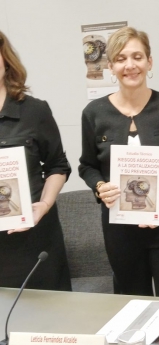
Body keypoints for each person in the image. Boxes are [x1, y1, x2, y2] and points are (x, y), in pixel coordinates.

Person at [78, 27, 159, 297]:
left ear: (149, 61)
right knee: (131, 302)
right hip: (119, 227)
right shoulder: (94, 113)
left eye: (137, 56)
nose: (130, 65)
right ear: (111, 65)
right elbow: (87, 165)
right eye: (121, 59)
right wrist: (100, 186)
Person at [0, 31, 71, 290]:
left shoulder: (35, 110)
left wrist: (44, 204)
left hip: (36, 241)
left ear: (5, 59)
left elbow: (58, 166)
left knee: (51, 321)